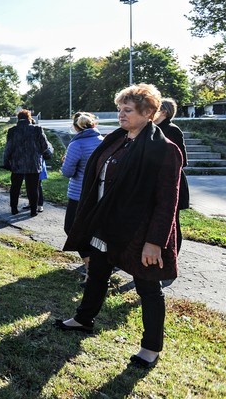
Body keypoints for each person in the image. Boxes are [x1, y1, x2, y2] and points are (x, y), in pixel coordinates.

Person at [57, 84, 183, 370]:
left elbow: (167, 201)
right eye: (120, 109)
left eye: (128, 110)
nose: (121, 114)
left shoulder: (164, 149)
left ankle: (151, 348)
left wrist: (155, 241)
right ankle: (83, 319)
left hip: (140, 232)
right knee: (97, 273)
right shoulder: (118, 140)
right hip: (106, 224)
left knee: (148, 288)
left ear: (148, 112)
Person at [60, 112, 103, 282]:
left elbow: (68, 171)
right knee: (94, 231)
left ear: (76, 127)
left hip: (79, 194)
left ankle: (90, 265)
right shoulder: (102, 141)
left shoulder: (76, 144)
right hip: (99, 193)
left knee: (71, 228)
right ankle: (98, 264)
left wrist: (65, 161)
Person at [153, 97, 189, 253]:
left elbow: (182, 160)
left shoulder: (172, 130)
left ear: (164, 112)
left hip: (173, 182)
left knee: (173, 222)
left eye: (155, 109)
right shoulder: (152, 129)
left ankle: (173, 255)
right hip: (156, 182)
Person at [3, 110, 53, 217]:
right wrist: (48, 154)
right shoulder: (37, 129)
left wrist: (6, 161)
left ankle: (14, 208)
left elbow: (8, 148)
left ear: (18, 118)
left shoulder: (12, 131)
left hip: (17, 163)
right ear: (29, 117)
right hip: (33, 163)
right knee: (33, 188)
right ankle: (33, 210)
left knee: (15, 187)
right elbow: (44, 146)